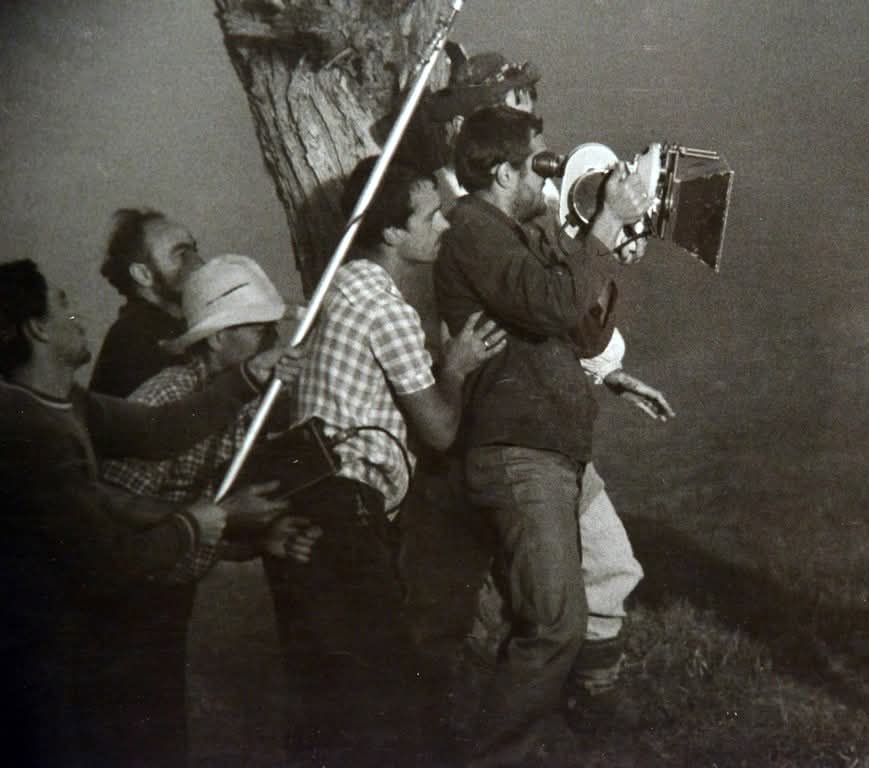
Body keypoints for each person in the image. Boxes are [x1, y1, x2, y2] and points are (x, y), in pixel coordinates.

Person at [422, 50, 675, 734]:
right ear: (503, 171)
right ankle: (504, 746)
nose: (549, 172)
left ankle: (585, 706)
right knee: (550, 622)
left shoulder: (508, 229)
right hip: (518, 450)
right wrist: (603, 228)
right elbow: (552, 304)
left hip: (549, 442)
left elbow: (574, 322)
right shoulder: (472, 228)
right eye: (536, 164)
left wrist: (609, 245)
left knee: (592, 585)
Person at [0, 258, 295, 767]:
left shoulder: (63, 403)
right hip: (48, 651)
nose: (78, 315)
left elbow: (157, 432)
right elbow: (105, 559)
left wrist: (248, 377)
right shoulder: (30, 430)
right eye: (63, 303)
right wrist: (197, 523)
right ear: (37, 328)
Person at [269, 161, 506, 766]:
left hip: (299, 500)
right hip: (346, 506)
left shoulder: (337, 289)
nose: (445, 224)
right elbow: (440, 430)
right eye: (431, 216)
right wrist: (456, 368)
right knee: (391, 690)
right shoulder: (385, 308)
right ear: (394, 233)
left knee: (324, 695)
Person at [99, 254, 320, 768]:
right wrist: (227, 516)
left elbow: (200, 521)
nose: (271, 340)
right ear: (217, 338)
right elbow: (114, 518)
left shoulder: (244, 403)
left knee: (163, 733)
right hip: (122, 602)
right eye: (258, 329)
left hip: (168, 595)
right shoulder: (168, 397)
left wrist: (254, 540)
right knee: (132, 738)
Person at [91, 208, 205, 396]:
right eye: (181, 254)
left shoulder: (172, 324)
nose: (199, 263)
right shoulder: (134, 338)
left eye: (194, 250)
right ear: (143, 275)